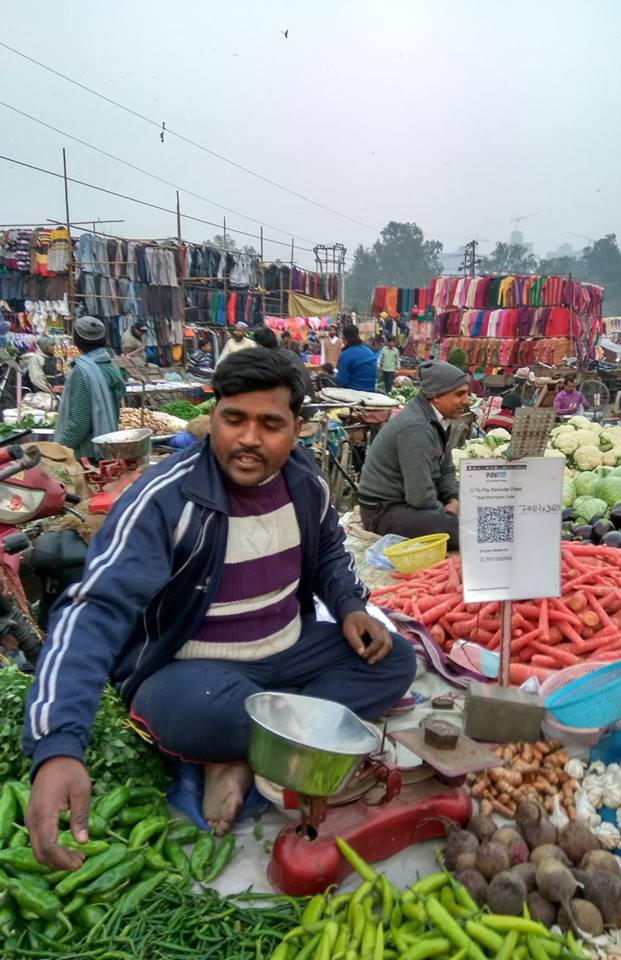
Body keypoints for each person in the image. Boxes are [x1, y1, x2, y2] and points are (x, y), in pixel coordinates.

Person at [22, 350, 416, 867]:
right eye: (234, 419)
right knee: (201, 711)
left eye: (270, 424)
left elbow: (329, 555)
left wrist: (348, 607)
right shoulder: (165, 500)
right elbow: (93, 611)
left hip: (286, 648)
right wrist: (57, 744)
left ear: (296, 428)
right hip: (194, 671)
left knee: (394, 661)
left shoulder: (305, 484)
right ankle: (254, 746)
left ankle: (246, 751)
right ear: (213, 416)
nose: (249, 438)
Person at [358, 360, 470, 551]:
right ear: (435, 396)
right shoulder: (415, 428)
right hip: (382, 511)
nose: (467, 400)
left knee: (474, 516)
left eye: (467, 393)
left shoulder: (439, 420)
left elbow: (447, 469)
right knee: (468, 533)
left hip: (411, 503)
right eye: (459, 394)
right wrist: (446, 518)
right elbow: (420, 496)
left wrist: (453, 500)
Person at [53, 317, 124, 460]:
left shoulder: (82, 372)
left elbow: (80, 423)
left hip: (86, 455)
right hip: (108, 446)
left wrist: (58, 450)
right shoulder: (112, 367)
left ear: (77, 341)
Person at [254, 326, 314, 399]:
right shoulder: (290, 354)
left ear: (259, 345)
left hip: (297, 404)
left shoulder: (271, 359)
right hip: (307, 400)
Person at [336, 325, 378, 393]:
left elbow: (341, 381)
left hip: (354, 393)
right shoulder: (369, 351)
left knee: (323, 376)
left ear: (344, 338)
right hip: (371, 391)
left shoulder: (346, 354)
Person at [23, 337, 62, 407]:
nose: (54, 347)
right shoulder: (36, 359)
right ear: (45, 347)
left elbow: (64, 372)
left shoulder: (56, 357)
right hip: (45, 396)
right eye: (52, 345)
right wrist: (51, 390)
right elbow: (37, 378)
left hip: (59, 394)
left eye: (54, 345)